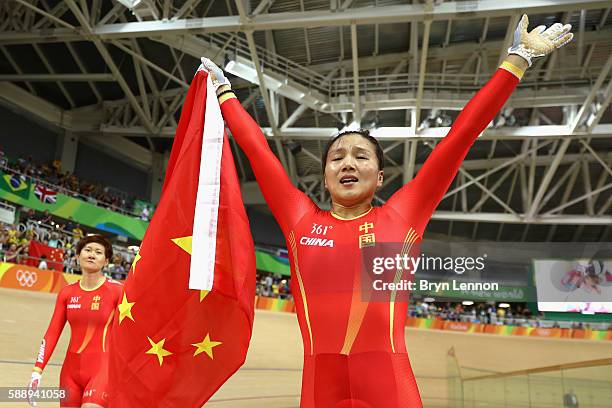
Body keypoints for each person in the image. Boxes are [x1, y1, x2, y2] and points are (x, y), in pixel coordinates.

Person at [201, 14, 572, 407]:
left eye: (360, 157)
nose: (347, 163)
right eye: (336, 158)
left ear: (379, 178)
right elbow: (258, 152)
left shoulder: (401, 217)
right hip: (319, 387)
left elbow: (460, 136)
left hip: (388, 385)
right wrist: (225, 94)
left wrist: (517, 60)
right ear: (325, 177)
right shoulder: (300, 220)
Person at [27, 235, 123, 407]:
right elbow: (53, 332)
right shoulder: (67, 293)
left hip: (102, 370)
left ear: (106, 261)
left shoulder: (117, 291)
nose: (92, 254)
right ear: (78, 256)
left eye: (98, 252)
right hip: (70, 373)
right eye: (87, 250)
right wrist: (37, 371)